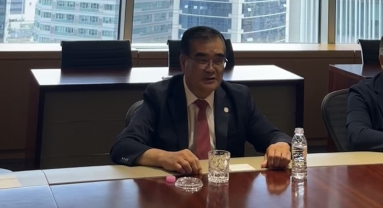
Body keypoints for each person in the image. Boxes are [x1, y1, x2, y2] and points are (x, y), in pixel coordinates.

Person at [111, 26, 291, 173]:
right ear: (183, 62)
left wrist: (281, 145)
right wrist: (165, 157)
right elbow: (122, 146)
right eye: (202, 60)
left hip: (225, 190)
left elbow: (274, 136)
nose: (211, 69)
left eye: (218, 61)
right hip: (173, 190)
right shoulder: (160, 96)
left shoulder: (238, 97)